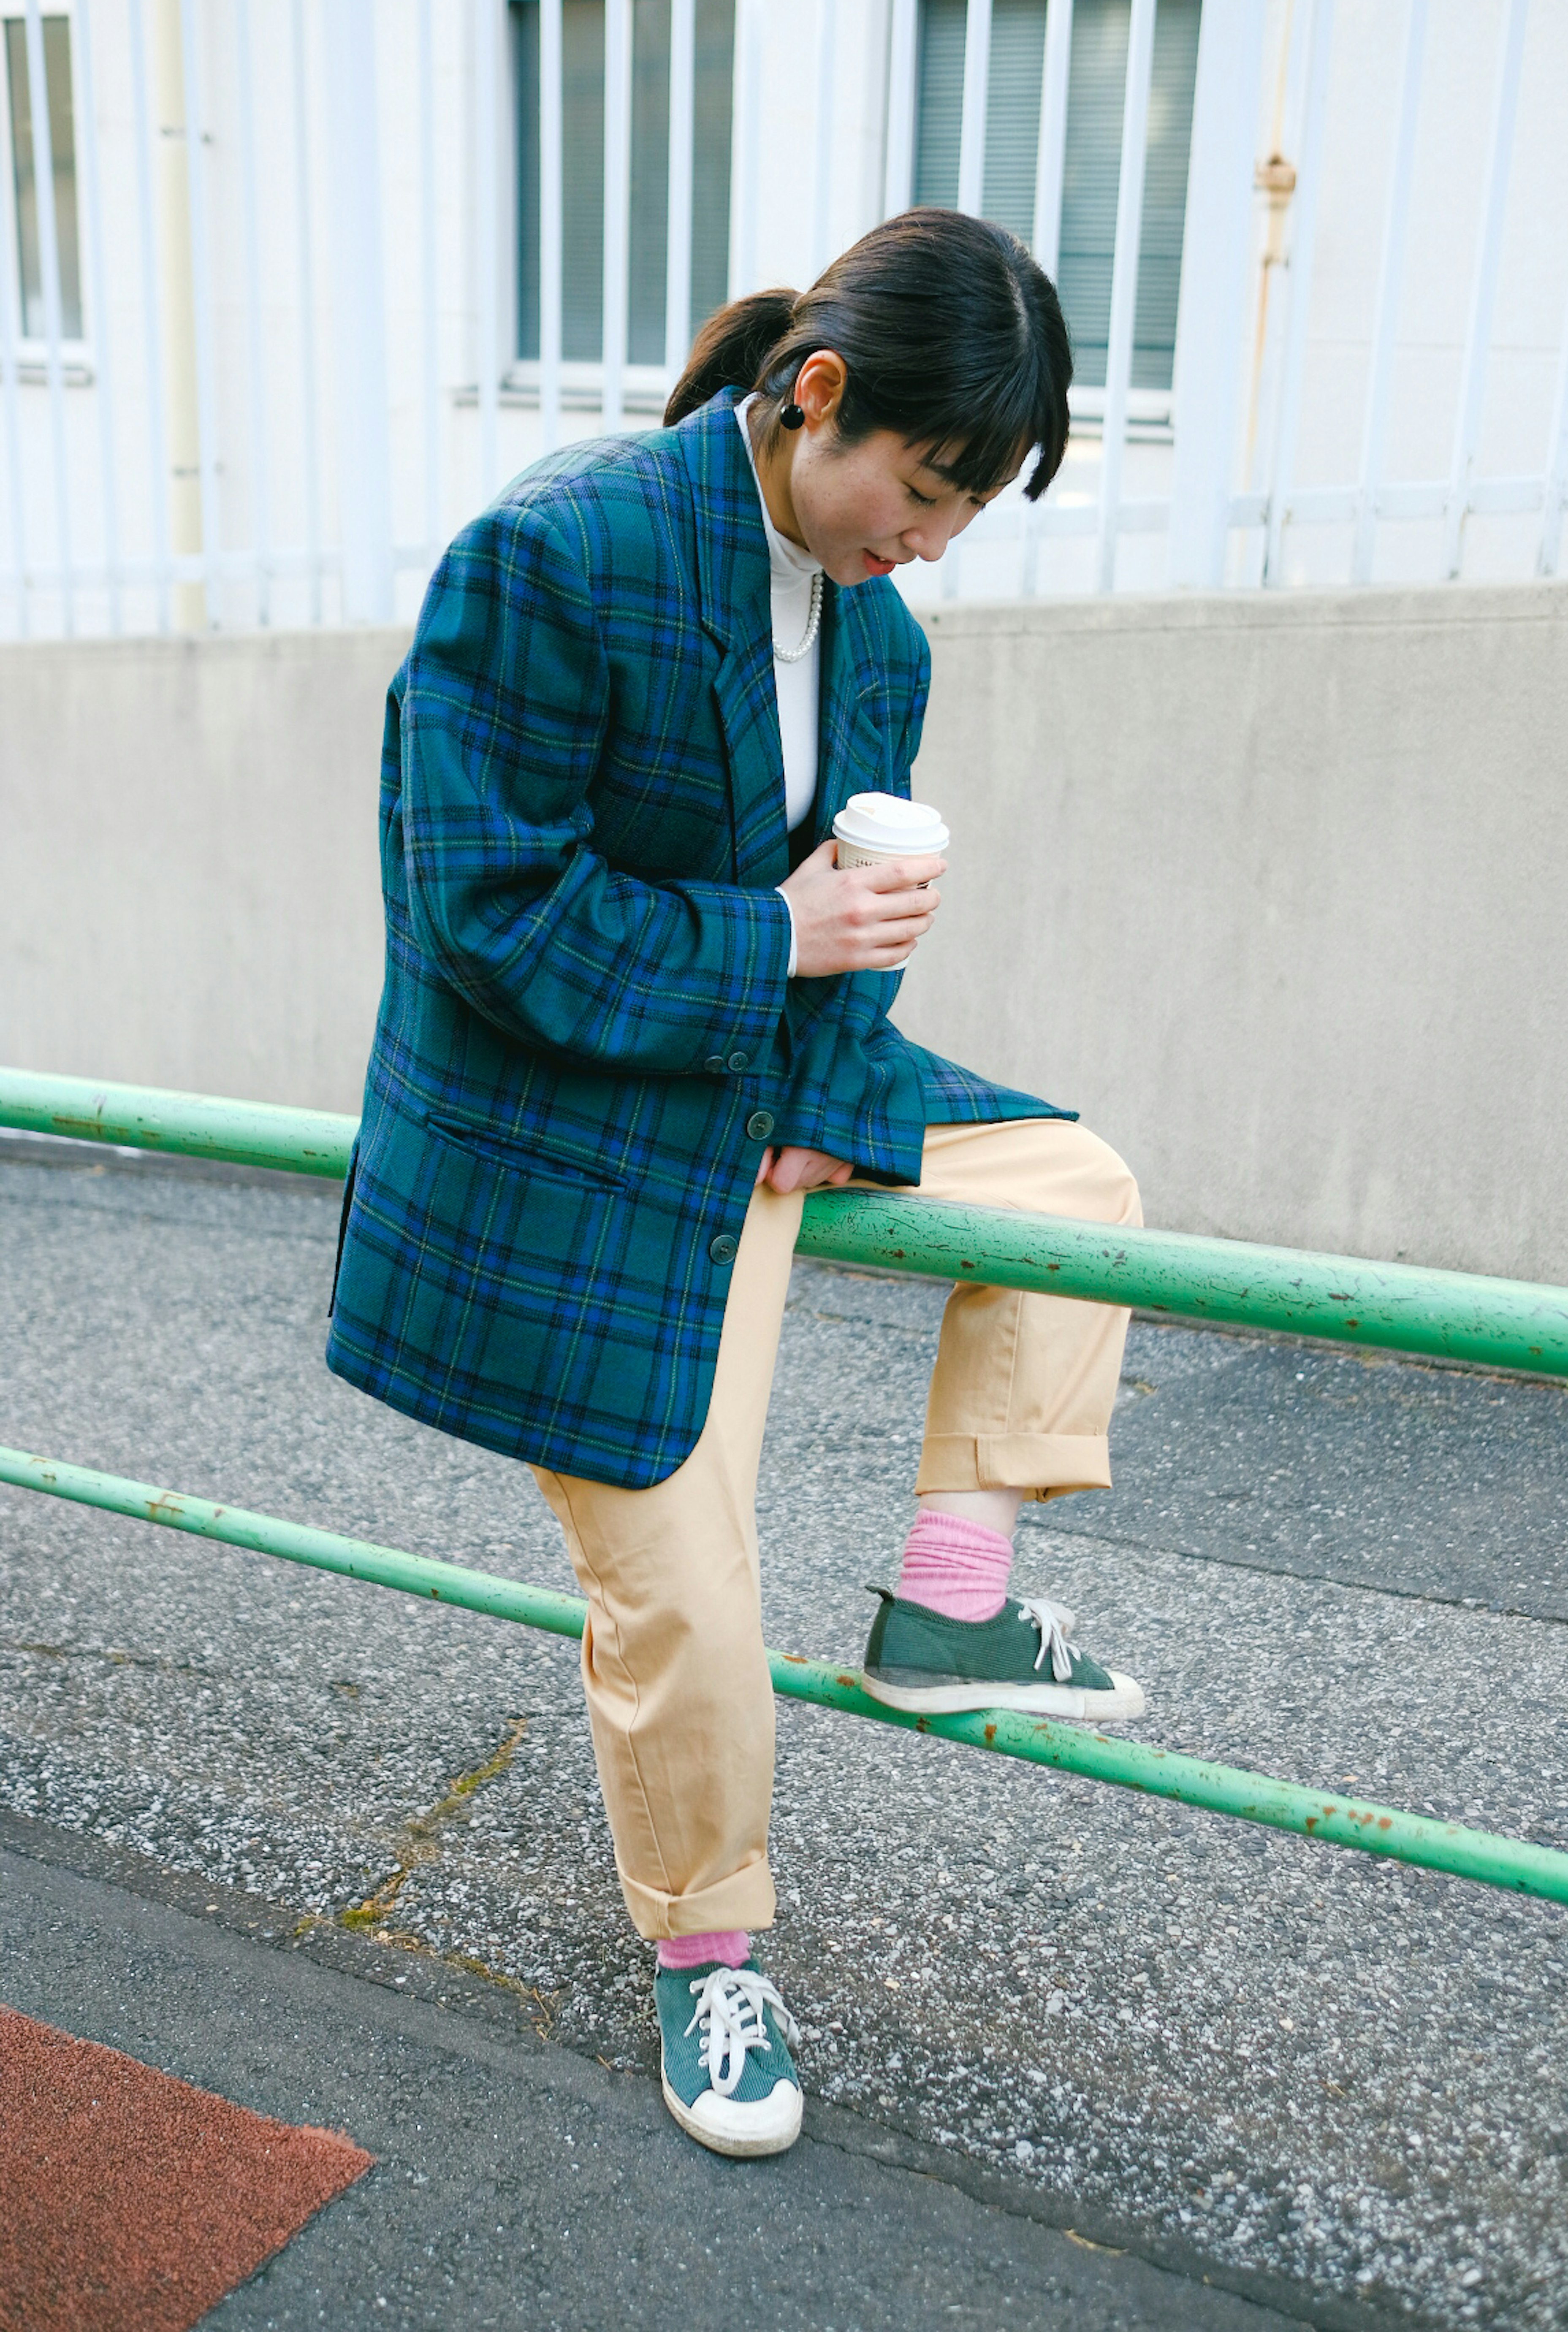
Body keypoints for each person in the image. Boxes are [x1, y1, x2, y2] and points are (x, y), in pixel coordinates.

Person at [328, 207, 1144, 2162]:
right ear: (821, 396)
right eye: (927, 487)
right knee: (684, 1591)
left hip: (756, 1099)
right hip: (573, 1153)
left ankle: (949, 1600)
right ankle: (710, 1963)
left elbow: (843, 937)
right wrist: (777, 947)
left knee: (1075, 1182)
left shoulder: (885, 635)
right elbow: (477, 911)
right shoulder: (561, 550)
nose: (930, 539)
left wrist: (832, 1037)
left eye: (969, 513)